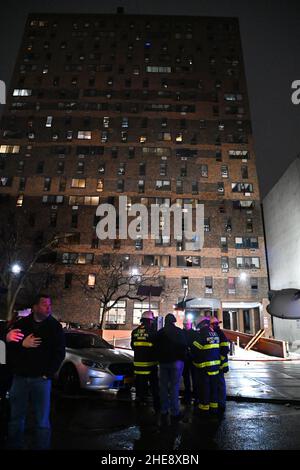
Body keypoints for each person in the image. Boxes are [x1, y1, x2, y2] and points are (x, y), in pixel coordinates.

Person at [6, 294, 65, 449]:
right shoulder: (22, 324)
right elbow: (10, 349)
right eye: (45, 304)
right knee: (16, 418)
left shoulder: (54, 327)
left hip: (41, 380)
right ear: (35, 307)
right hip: (20, 378)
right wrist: (22, 345)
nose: (48, 307)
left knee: (42, 421)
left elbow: (59, 353)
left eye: (49, 304)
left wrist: (48, 373)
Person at [156, 313, 187, 422]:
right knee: (174, 387)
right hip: (176, 363)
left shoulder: (160, 332)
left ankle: (164, 410)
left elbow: (155, 346)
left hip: (163, 363)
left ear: (165, 321)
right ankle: (175, 412)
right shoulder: (179, 332)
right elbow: (184, 345)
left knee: (163, 387)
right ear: (174, 321)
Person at [190, 315, 220, 416]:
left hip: (205, 368)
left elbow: (196, 349)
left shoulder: (201, 334)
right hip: (215, 367)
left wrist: (192, 343)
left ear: (201, 325)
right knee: (213, 388)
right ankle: (214, 408)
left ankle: (204, 409)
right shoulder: (214, 333)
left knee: (204, 389)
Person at [131, 310, 160, 412]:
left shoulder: (134, 332)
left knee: (140, 382)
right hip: (150, 364)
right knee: (153, 383)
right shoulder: (152, 332)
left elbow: (133, 346)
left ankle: (140, 401)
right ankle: (156, 404)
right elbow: (157, 347)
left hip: (138, 364)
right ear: (150, 321)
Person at [210, 316, 230, 413]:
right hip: (219, 363)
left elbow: (225, 349)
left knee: (220, 384)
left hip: (219, 364)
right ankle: (220, 403)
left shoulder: (218, 333)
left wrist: (217, 356)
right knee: (219, 384)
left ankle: (221, 404)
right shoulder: (218, 333)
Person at [182, 318, 197, 405]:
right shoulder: (182, 333)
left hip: (192, 359)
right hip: (185, 359)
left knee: (194, 378)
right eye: (185, 324)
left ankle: (195, 395)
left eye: (186, 324)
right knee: (186, 378)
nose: (186, 326)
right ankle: (188, 396)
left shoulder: (194, 333)